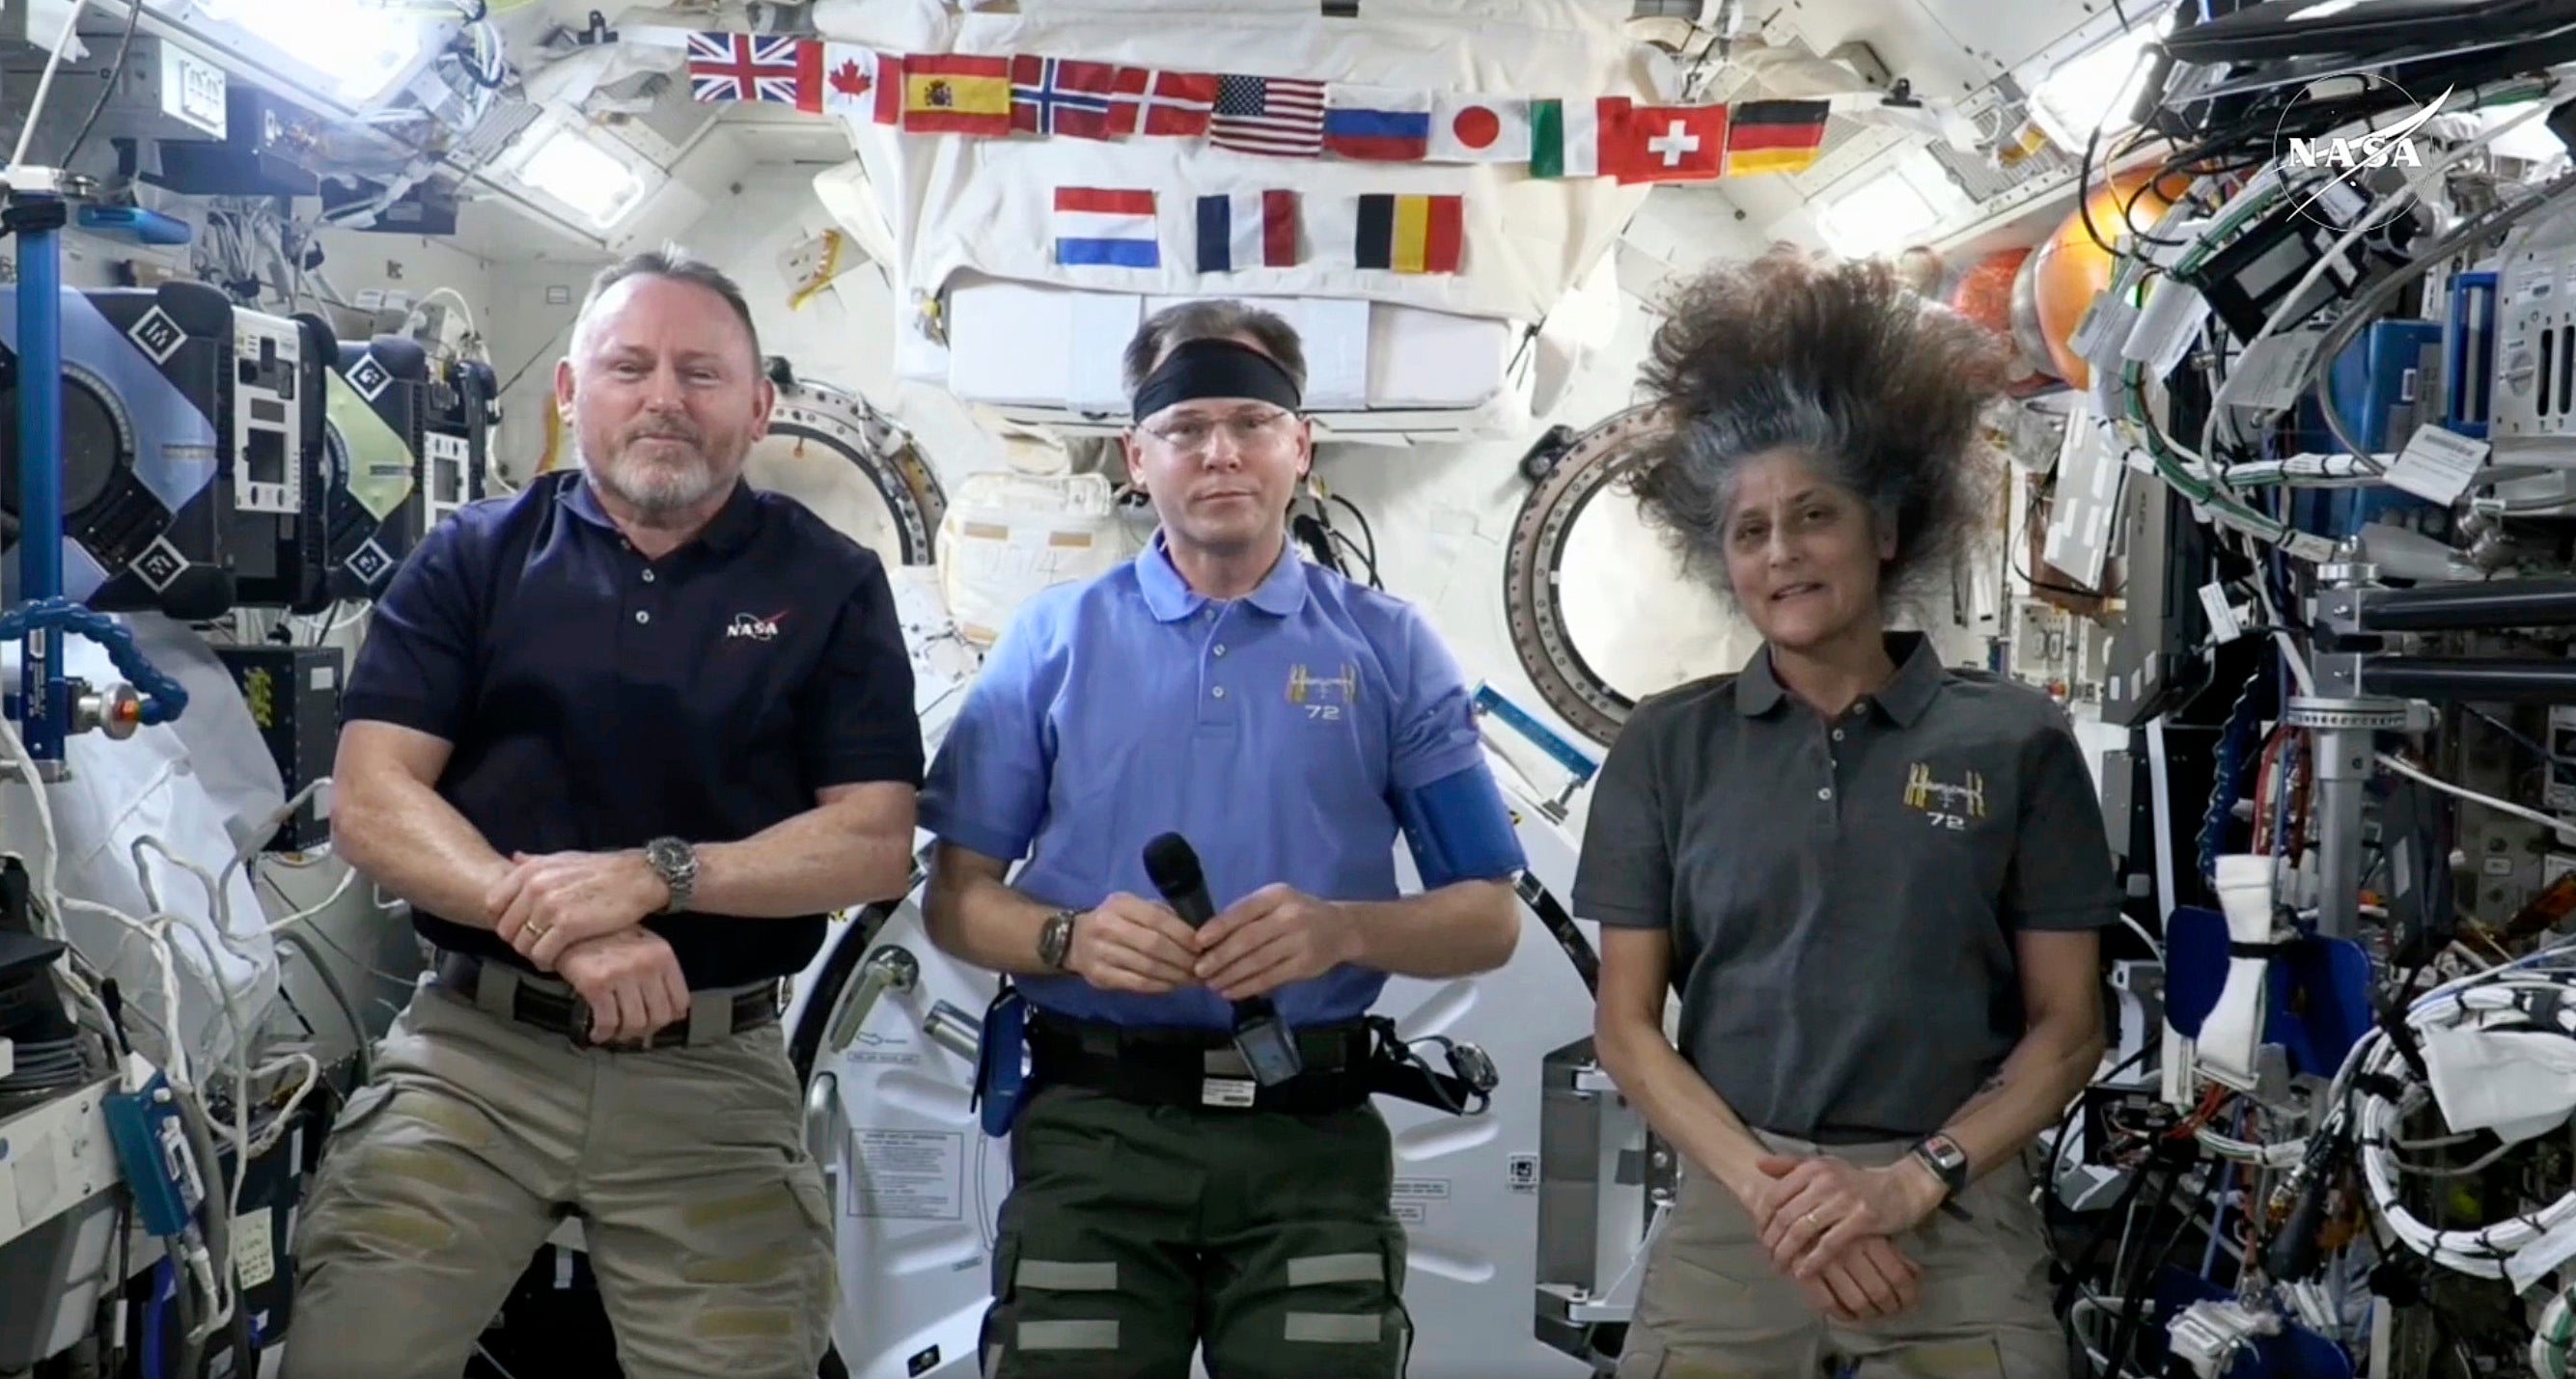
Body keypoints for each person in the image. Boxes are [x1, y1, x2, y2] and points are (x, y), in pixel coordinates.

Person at [286, 247, 924, 1379]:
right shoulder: (473, 560)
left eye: (701, 372)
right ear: (572, 393)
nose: (665, 398)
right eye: (629, 367)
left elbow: (872, 842)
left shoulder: (829, 582)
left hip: (709, 1077)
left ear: (762, 405)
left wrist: (660, 875)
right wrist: (560, 922)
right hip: (473, 1059)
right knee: (351, 1351)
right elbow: (374, 800)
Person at [919, 299, 1527, 1378]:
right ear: (1135, 454)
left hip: (1308, 1144)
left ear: (1300, 446)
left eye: (1250, 423)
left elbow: (1486, 916)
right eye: (1186, 426)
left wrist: (1342, 929)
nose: (1220, 454)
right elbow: (953, 893)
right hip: (1095, 1138)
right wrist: (1066, 940)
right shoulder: (1052, 642)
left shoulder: (1388, 649)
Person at [1575, 253, 2114, 1379]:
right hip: (1741, 1208)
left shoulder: (2013, 742)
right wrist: (1780, 1200)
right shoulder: (1666, 748)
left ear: (1883, 530)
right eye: (1749, 530)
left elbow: (2067, 1027)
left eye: (1812, 515)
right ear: (1720, 559)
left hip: (1951, 1216)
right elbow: (1626, 1029)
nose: (1781, 553)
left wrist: (1907, 1182)